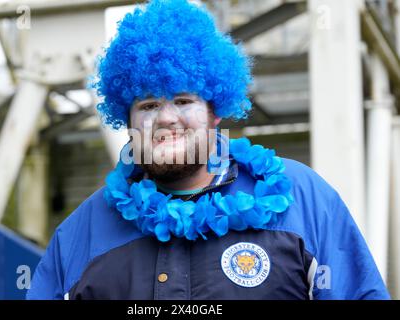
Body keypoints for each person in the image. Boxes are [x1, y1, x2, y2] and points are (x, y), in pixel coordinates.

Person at [27, 0, 389, 300]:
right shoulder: (80, 234)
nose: (167, 118)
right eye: (149, 105)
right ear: (129, 119)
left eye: (183, 100)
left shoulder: (304, 199)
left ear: (215, 112)